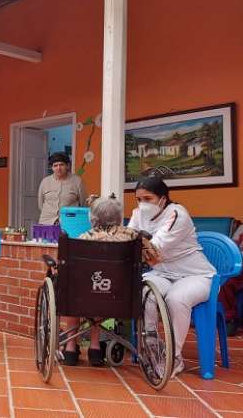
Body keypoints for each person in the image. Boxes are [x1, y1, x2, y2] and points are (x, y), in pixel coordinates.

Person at [128, 175, 216, 378]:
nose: (143, 204)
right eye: (139, 199)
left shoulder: (177, 214)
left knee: (176, 299)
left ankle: (174, 358)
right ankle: (151, 349)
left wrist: (137, 243)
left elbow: (154, 250)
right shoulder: (137, 214)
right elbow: (130, 240)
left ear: (163, 199)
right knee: (144, 292)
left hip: (196, 275)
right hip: (163, 273)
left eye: (148, 199)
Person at [64, 195, 140, 366]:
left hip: (86, 296)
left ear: (93, 218)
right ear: (119, 217)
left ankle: (70, 347)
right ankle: (95, 346)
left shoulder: (82, 239)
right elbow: (155, 258)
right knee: (104, 289)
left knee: (75, 287)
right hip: (120, 297)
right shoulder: (133, 237)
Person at [38, 152, 86, 225]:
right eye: (55, 165)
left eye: (61, 165)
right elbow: (40, 203)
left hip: (70, 222)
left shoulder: (77, 181)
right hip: (46, 222)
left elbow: (84, 203)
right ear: (52, 168)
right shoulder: (45, 182)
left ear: (67, 166)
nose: (58, 168)